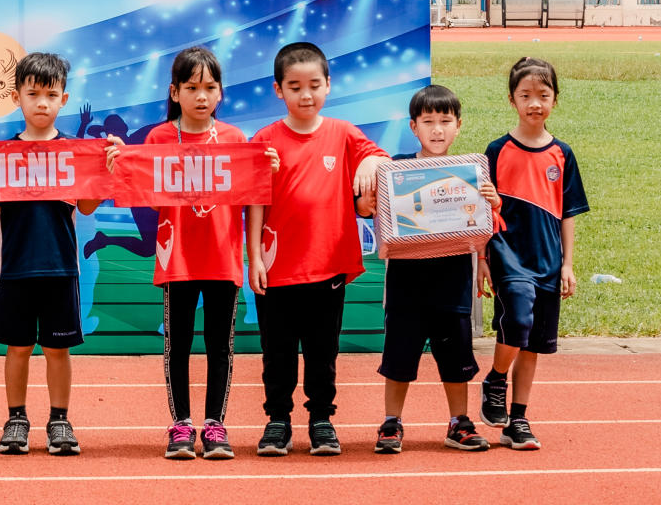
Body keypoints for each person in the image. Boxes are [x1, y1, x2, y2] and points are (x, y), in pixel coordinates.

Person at [121, 46, 275, 461]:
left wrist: (267, 169)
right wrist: (124, 165)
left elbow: (252, 196)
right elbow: (150, 197)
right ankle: (181, 426)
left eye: (209, 87)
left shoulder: (235, 139)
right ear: (174, 92)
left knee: (220, 346)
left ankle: (214, 425)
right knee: (179, 345)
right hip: (178, 258)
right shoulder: (158, 138)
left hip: (223, 256)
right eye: (191, 87)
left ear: (221, 92)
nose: (201, 96)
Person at [0, 52, 102, 457]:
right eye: (32, 94)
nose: (42, 103)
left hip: (60, 266)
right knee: (17, 348)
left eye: (50, 95)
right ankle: (16, 419)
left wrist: (106, 171)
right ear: (16, 97)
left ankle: (59, 420)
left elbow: (86, 206)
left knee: (57, 350)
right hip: (14, 266)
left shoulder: (74, 152)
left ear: (63, 99)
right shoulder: (3, 153)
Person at [248, 41, 387, 458]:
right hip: (277, 268)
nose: (305, 95)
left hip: (328, 267)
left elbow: (378, 158)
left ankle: (322, 419)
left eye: (313, 85)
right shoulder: (266, 139)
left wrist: (370, 161)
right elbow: (255, 201)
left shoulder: (344, 133)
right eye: (294, 87)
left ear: (328, 84)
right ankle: (278, 420)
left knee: (323, 351)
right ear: (278, 90)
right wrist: (254, 257)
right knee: (277, 353)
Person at [372, 84, 499, 455]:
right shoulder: (396, 169)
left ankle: (459, 422)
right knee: (399, 359)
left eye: (445, 121)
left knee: (456, 359)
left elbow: (482, 225)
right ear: (414, 127)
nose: (437, 129)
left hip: (453, 282)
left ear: (458, 126)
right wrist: (369, 195)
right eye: (428, 121)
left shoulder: (470, 174)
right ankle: (391, 422)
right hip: (406, 285)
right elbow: (372, 209)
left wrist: (492, 202)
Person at [480, 57, 588, 451]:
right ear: (512, 100)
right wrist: (482, 260)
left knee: (532, 344)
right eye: (525, 95)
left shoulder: (563, 154)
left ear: (555, 99)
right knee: (519, 317)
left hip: (547, 258)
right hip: (507, 252)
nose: (535, 103)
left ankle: (518, 420)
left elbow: (568, 212)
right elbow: (481, 210)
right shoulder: (496, 150)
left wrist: (567, 264)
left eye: (543, 95)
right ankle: (495, 379)